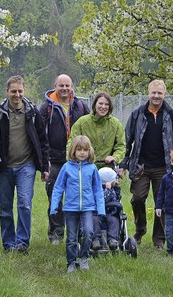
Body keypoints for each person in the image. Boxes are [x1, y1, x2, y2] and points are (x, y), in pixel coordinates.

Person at [0, 75, 50, 254]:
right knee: (5, 208)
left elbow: (43, 141)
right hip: (3, 167)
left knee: (25, 204)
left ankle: (22, 243)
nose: (17, 95)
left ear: (24, 91)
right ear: (7, 92)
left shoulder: (33, 113)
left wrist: (44, 168)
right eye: (13, 91)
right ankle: (8, 243)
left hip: (26, 166)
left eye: (20, 91)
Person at [120, 79, 173, 249]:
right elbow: (127, 140)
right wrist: (124, 163)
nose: (156, 96)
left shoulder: (170, 114)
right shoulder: (137, 114)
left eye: (160, 93)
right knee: (138, 198)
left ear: (164, 94)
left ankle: (159, 239)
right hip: (141, 166)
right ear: (148, 93)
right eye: (153, 92)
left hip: (164, 167)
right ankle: (140, 231)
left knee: (161, 203)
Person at [67, 91, 124, 251]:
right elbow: (71, 142)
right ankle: (92, 236)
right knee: (89, 206)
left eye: (106, 104)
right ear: (94, 105)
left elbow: (121, 145)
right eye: (100, 104)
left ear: (110, 107)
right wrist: (76, 158)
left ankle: (112, 237)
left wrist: (115, 157)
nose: (103, 107)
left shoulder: (115, 124)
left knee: (110, 205)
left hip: (106, 172)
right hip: (86, 170)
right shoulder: (82, 122)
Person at [39, 74, 90, 245]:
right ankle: (56, 232)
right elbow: (40, 135)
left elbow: (89, 127)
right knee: (55, 196)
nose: (64, 89)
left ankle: (79, 233)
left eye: (67, 85)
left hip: (78, 159)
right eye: (61, 85)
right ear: (55, 86)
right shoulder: (46, 108)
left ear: (72, 86)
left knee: (79, 197)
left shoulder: (81, 106)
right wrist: (44, 161)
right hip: (54, 159)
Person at [50, 135, 105, 273]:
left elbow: (98, 190)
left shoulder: (92, 168)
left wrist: (101, 209)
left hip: (87, 208)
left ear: (89, 151)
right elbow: (58, 188)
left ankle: (84, 257)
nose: (82, 152)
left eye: (85, 150)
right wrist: (54, 206)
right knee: (72, 238)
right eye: (79, 149)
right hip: (70, 209)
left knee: (88, 232)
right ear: (73, 151)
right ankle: (71, 262)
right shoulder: (66, 168)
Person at [97, 167, 122, 252]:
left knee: (114, 221)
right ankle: (96, 241)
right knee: (94, 221)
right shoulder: (98, 189)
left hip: (111, 213)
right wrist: (108, 189)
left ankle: (113, 240)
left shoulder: (114, 189)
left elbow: (118, 198)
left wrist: (116, 187)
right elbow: (103, 200)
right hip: (98, 213)